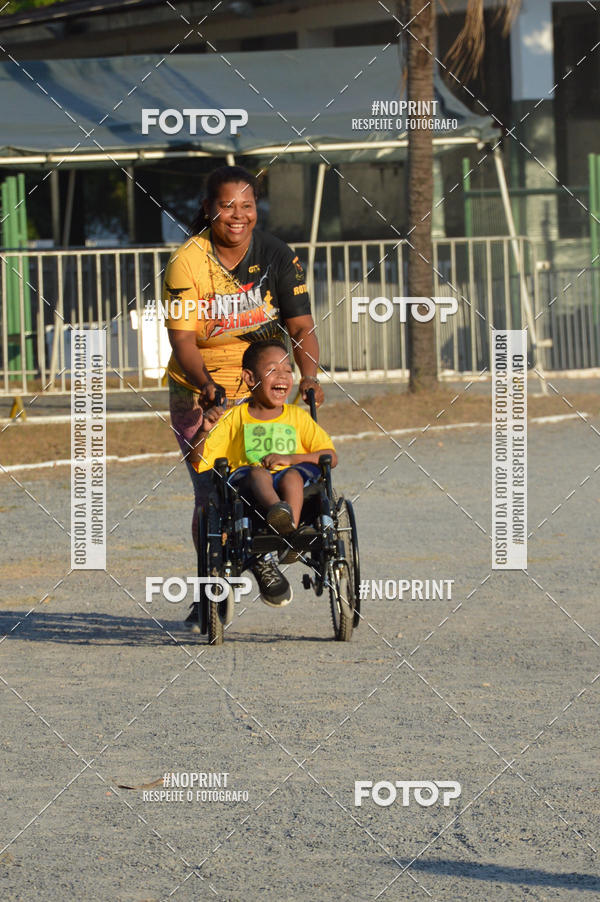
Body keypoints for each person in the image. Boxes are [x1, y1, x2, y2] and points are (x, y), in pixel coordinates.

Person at [163, 165, 324, 624]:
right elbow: (184, 342)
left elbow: (300, 326)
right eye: (227, 206)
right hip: (200, 386)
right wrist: (208, 388)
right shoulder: (188, 263)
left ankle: (270, 543)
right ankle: (211, 588)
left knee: (266, 465)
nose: (238, 216)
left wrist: (308, 376)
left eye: (247, 206)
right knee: (211, 490)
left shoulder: (276, 255)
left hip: (263, 383)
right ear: (209, 209)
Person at [189, 340, 337, 611]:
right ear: (250, 378)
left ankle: (287, 525)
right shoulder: (234, 417)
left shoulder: (297, 417)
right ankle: (276, 514)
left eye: (287, 369)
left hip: (294, 478)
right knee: (258, 474)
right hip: (248, 488)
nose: (282, 375)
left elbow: (329, 456)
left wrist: (291, 458)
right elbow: (198, 461)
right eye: (272, 370)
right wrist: (203, 430)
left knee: (292, 476)